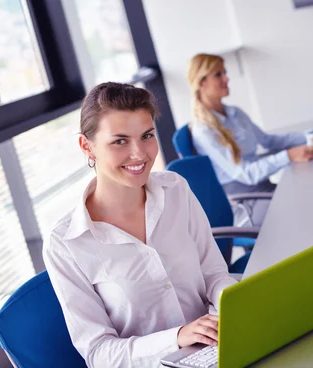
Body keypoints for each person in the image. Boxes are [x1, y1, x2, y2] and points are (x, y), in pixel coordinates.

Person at [43, 82, 236, 368]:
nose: (140, 154)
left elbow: (213, 273)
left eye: (147, 135)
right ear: (87, 146)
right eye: (120, 141)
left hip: (217, 350)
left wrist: (233, 306)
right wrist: (178, 337)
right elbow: (99, 353)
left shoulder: (176, 190)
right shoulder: (67, 243)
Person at [188, 54, 313, 224]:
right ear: (202, 82)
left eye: (225, 72)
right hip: (246, 202)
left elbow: (269, 141)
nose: (226, 78)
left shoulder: (235, 113)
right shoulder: (204, 131)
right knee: (305, 206)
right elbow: (246, 174)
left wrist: (309, 135)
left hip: (263, 187)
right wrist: (289, 156)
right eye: (218, 74)